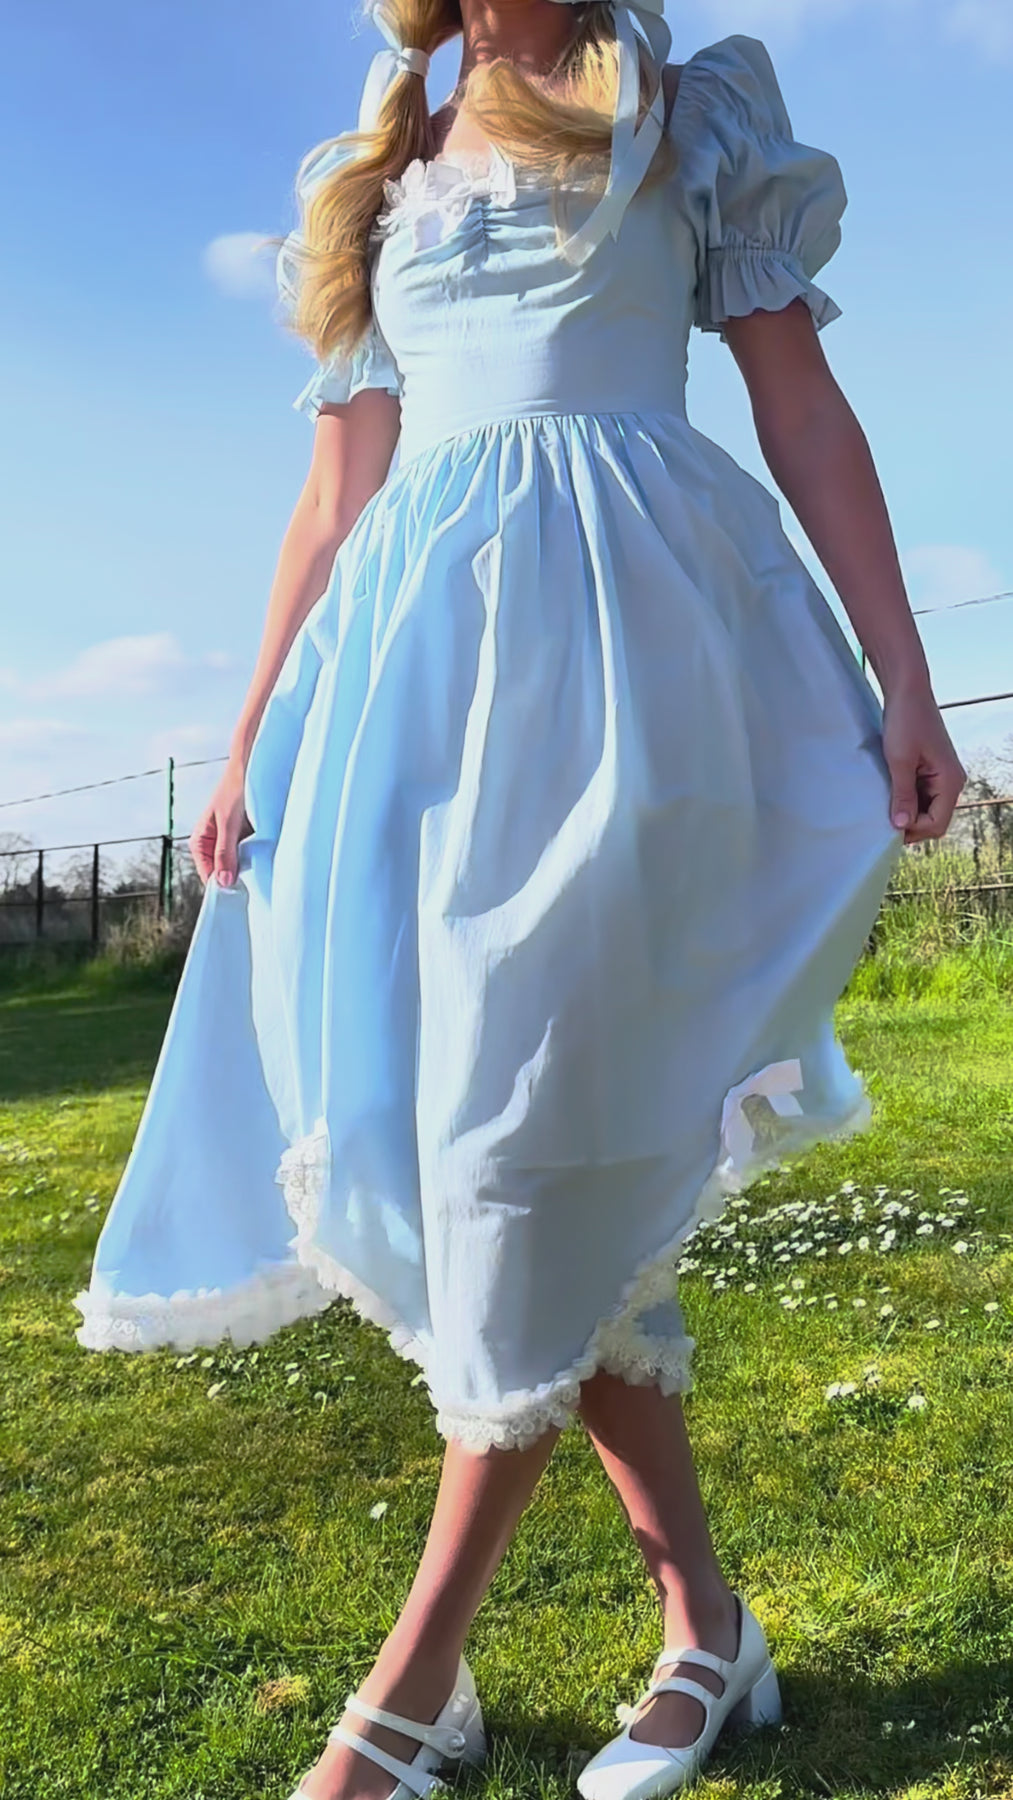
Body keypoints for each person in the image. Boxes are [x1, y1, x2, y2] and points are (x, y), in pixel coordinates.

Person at [73, 0, 966, 1796]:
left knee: (513, 1146)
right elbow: (335, 490)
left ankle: (406, 1694)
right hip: (408, 699)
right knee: (488, 1152)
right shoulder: (377, 158)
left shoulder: (688, 115)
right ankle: (706, 1629)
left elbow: (797, 405)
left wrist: (905, 675)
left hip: (638, 671)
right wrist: (245, 734)